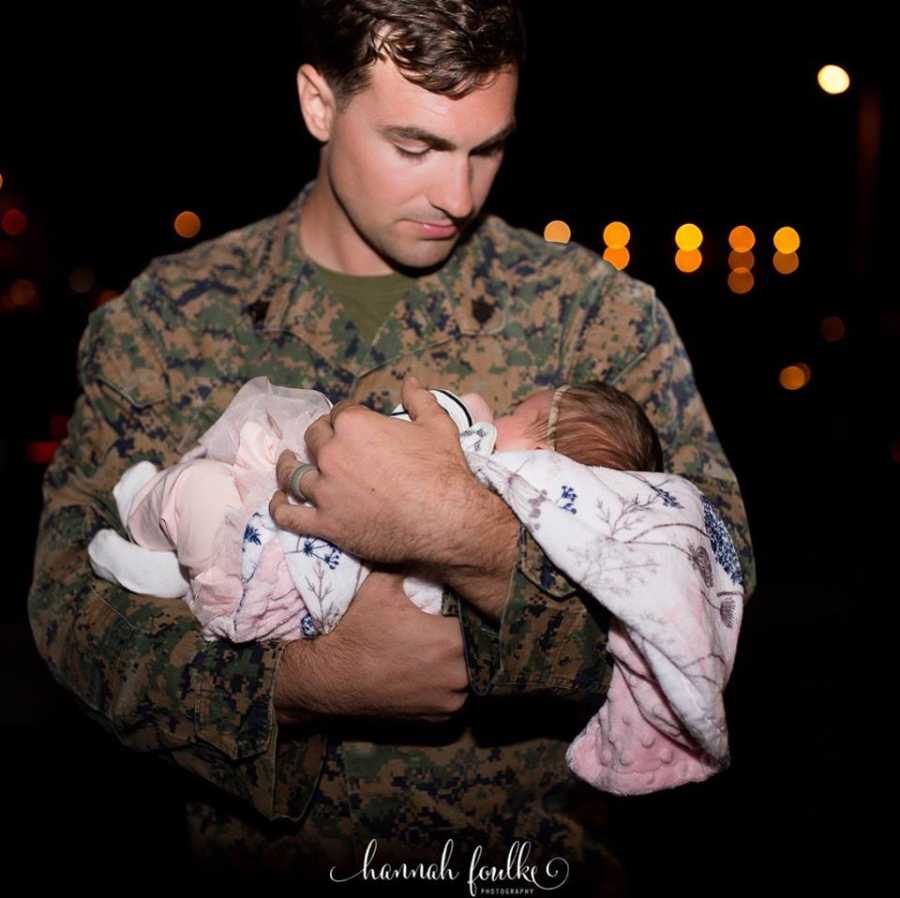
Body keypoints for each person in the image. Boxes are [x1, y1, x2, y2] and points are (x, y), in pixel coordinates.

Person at [27, 0, 755, 888]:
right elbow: (69, 609)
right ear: (319, 103)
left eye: (486, 148)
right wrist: (299, 683)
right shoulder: (167, 321)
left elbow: (716, 596)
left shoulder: (594, 316)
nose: (458, 195)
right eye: (416, 147)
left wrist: (470, 538)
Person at [86, 378, 664, 644]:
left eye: (518, 412)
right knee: (219, 477)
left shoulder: (505, 480)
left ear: (540, 455)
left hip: (282, 570)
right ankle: (174, 555)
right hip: (288, 537)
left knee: (198, 493)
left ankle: (170, 556)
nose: (499, 414)